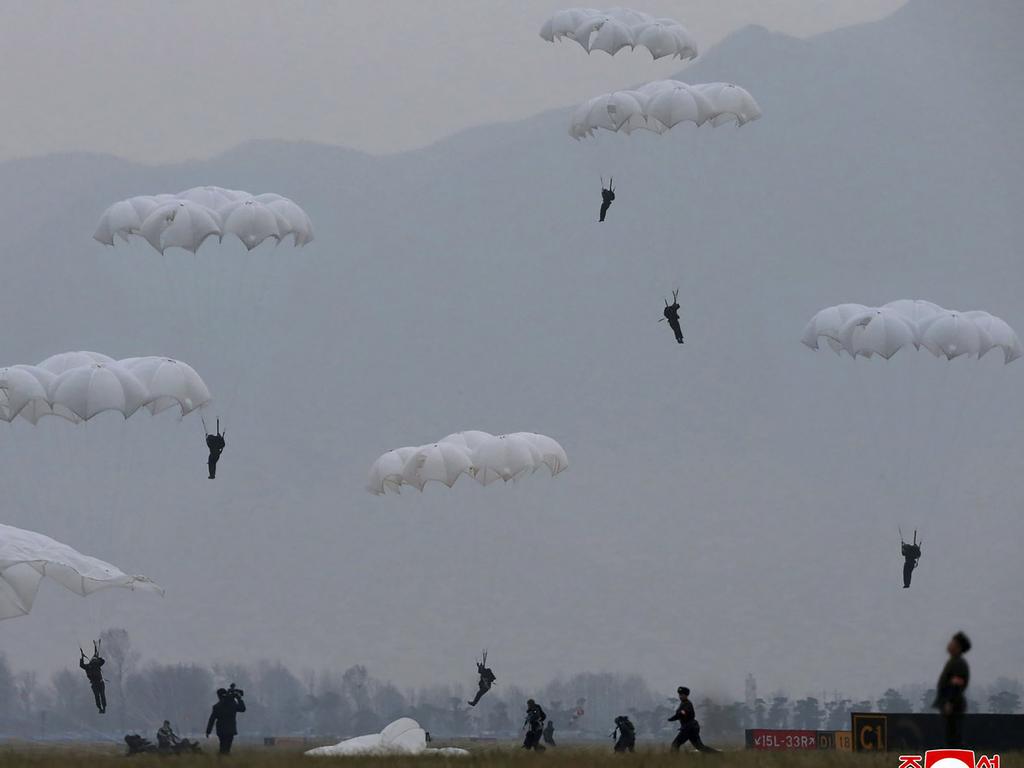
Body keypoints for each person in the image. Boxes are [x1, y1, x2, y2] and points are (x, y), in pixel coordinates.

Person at [933, 631, 971, 747]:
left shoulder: (958, 663)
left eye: (953, 642)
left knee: (954, 738)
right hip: (951, 704)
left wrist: (950, 702)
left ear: (958, 647)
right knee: (951, 737)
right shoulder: (953, 661)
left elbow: (956, 686)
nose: (949, 644)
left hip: (954, 705)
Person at [669, 686, 718, 753]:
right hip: (691, 728)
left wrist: (674, 717)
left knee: (675, 745)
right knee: (700, 747)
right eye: (679, 695)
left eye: (682, 695)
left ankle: (674, 760)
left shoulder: (688, 704)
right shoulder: (683, 703)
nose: (680, 696)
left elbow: (682, 713)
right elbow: (680, 714)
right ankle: (718, 755)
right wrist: (673, 718)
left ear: (686, 695)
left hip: (689, 728)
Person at [206, 684, 246, 755]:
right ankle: (224, 760)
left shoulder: (217, 706)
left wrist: (208, 731)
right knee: (227, 748)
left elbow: (212, 720)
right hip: (230, 730)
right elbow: (242, 709)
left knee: (223, 747)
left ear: (218, 696)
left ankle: (222, 760)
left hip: (221, 730)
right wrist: (238, 698)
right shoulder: (232, 704)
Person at [79, 641, 106, 714]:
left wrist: (99, 658)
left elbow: (103, 661)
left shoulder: (98, 664)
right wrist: (82, 657)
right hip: (94, 684)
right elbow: (81, 665)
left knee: (102, 695)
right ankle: (100, 708)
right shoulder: (88, 666)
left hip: (100, 683)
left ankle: (104, 708)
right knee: (97, 696)